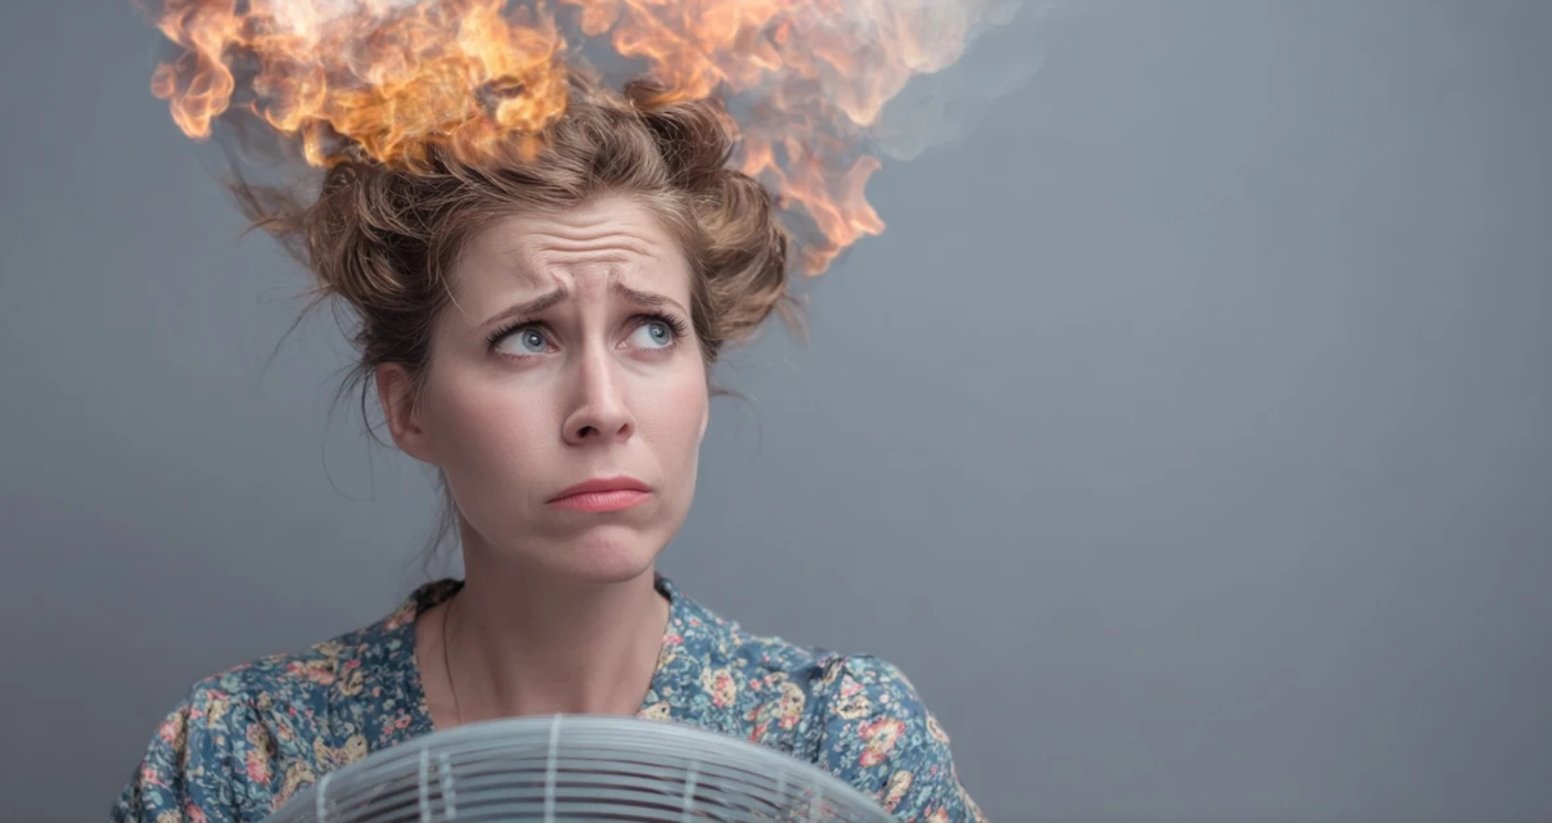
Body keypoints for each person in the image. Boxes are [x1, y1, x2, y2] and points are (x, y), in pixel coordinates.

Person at [111, 75, 986, 823]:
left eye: (651, 330)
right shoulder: (244, 754)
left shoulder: (839, 744)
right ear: (409, 409)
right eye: (527, 338)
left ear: (702, 386)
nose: (602, 410)